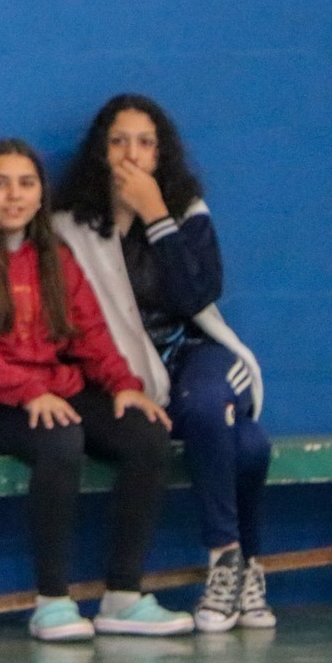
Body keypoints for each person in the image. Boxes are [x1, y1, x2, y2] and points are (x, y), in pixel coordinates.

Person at [0, 139, 194, 641]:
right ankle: (52, 603)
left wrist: (124, 385)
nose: (13, 196)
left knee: (146, 435)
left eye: (26, 184)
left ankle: (123, 597)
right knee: (60, 438)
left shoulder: (56, 256)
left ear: (41, 194)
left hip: (49, 391)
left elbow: (90, 333)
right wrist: (26, 392)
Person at [53, 94, 275, 633]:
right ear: (100, 152)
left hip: (194, 354)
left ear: (161, 154)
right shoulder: (72, 225)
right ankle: (248, 567)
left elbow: (197, 294)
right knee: (249, 443)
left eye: (145, 143)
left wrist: (156, 216)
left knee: (205, 405)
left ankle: (222, 559)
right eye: (118, 142)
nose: (132, 154)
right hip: (125, 371)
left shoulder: (185, 208)